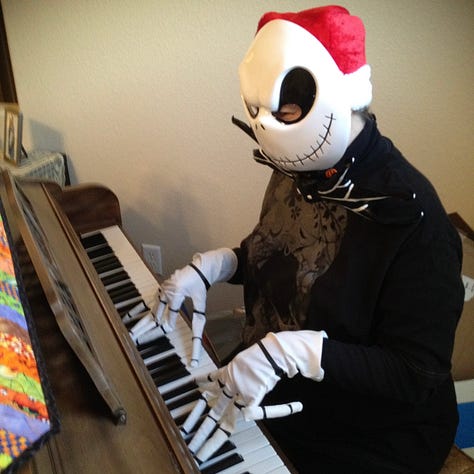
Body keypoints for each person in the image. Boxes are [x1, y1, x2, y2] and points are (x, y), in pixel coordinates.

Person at [138, 6, 465, 473]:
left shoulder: (415, 222)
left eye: (286, 116)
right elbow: (284, 249)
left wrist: (294, 351)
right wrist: (216, 265)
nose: (272, 133)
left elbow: (416, 374)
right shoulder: (299, 163)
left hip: (371, 429)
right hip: (283, 376)